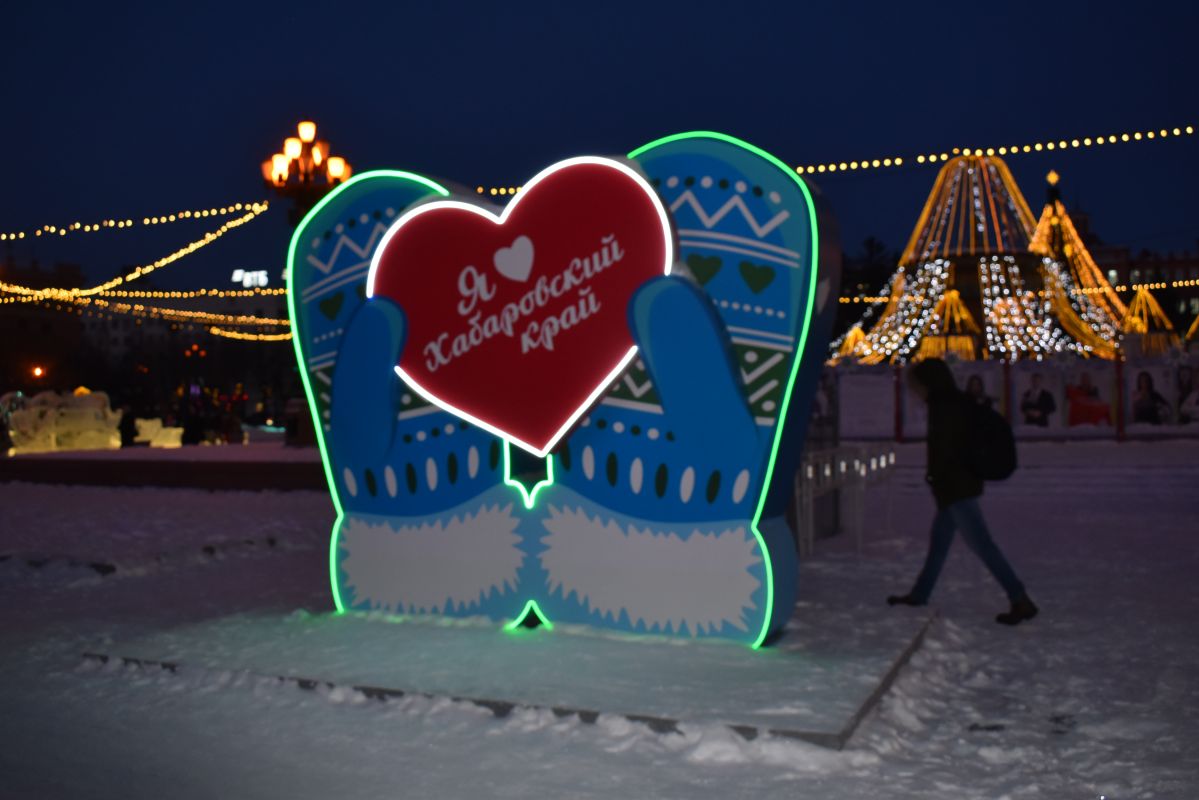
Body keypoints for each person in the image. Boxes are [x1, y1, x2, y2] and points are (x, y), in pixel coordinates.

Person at [888, 358, 1038, 625]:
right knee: (939, 545)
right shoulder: (954, 402)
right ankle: (920, 593)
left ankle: (1020, 598)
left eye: (917, 385)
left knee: (983, 545)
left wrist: (935, 476)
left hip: (956, 489)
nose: (915, 391)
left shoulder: (944, 407)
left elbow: (946, 449)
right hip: (955, 486)